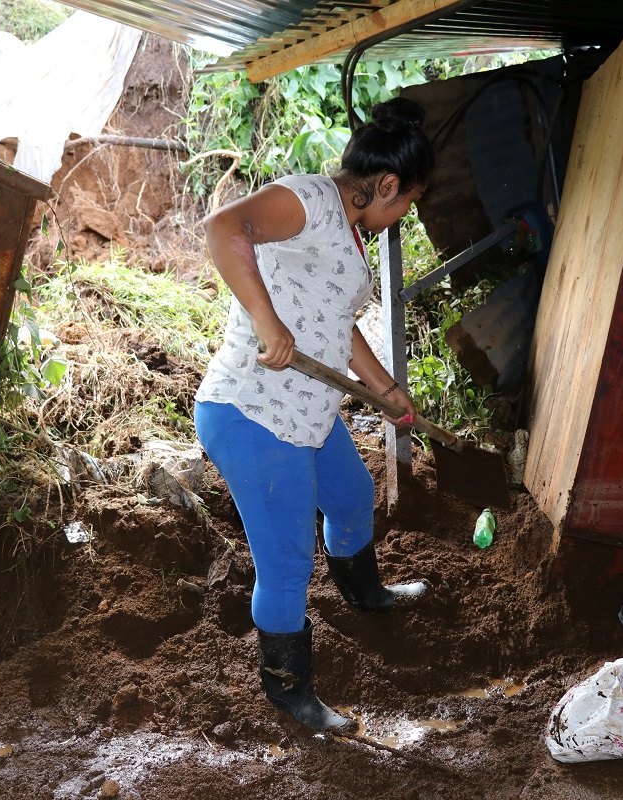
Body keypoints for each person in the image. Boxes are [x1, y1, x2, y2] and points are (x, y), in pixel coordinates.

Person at [193, 96, 434, 733]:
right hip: (252, 412)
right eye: (408, 199)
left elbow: (335, 323)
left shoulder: (352, 232)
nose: (406, 211)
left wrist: (383, 388)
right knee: (289, 560)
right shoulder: (309, 198)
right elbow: (224, 227)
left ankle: (364, 592)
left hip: (308, 410)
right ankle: (289, 691)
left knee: (353, 496)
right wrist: (265, 319)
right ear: (385, 185)